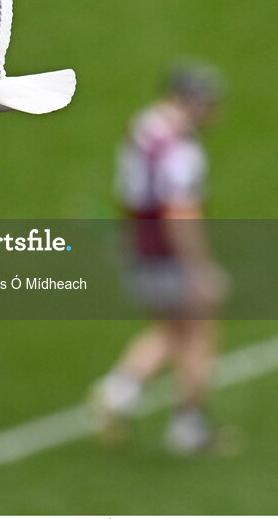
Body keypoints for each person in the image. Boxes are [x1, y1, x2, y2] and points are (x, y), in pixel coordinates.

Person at [93, 62, 229, 454]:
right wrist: (200, 269)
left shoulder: (144, 126)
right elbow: (180, 213)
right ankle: (189, 427)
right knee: (199, 333)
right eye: (208, 104)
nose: (213, 113)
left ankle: (120, 391)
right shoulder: (181, 150)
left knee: (171, 332)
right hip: (167, 255)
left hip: (138, 248)